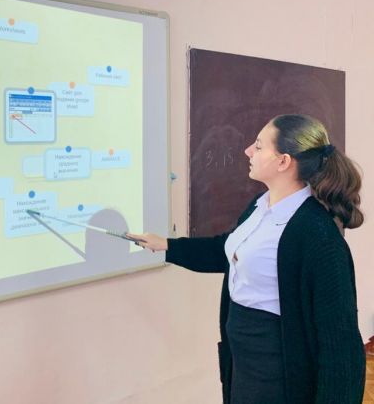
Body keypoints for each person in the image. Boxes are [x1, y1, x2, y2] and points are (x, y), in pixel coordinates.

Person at [128, 114, 366, 404]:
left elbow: (340, 343)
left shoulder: (317, 233)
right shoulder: (259, 207)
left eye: (259, 146)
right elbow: (227, 252)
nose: (248, 151)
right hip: (243, 361)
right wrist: (165, 246)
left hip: (279, 371)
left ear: (283, 161)